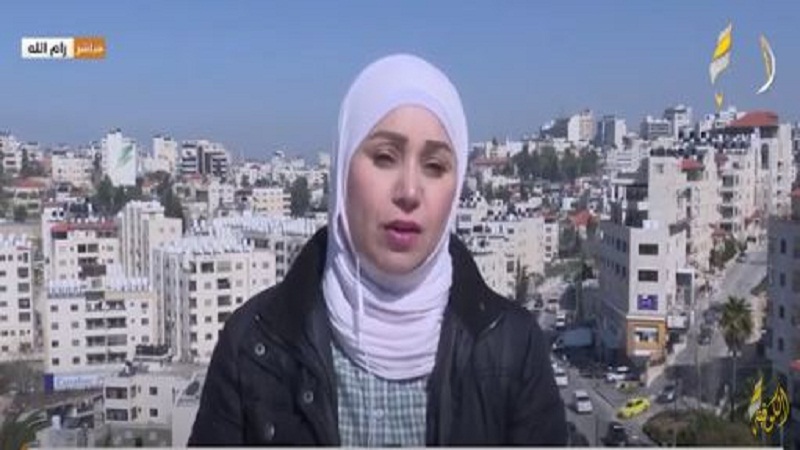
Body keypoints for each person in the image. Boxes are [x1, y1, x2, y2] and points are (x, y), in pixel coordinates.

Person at [188, 53, 567, 446]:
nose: (409, 192)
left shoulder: (512, 348)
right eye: (385, 157)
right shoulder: (255, 345)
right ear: (342, 169)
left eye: (435, 166)